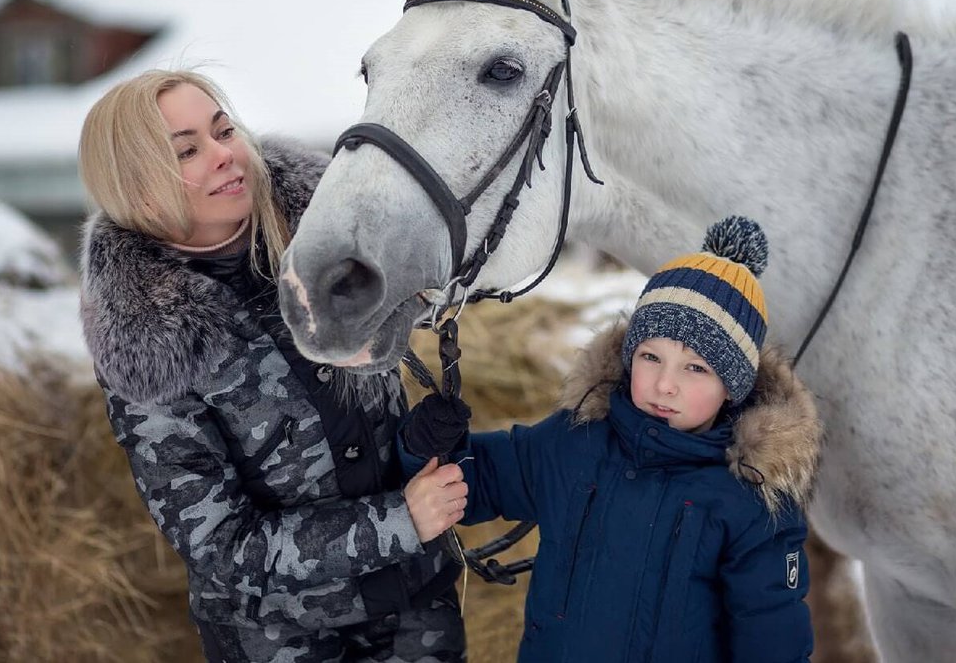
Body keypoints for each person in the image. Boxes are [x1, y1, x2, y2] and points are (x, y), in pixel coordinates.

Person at [78, 69, 467, 662]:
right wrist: (400, 520)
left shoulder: (333, 245)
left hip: (418, 611)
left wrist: (418, 443)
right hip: (281, 640)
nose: (224, 155)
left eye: (223, 129)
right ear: (140, 188)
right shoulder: (148, 339)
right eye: (187, 150)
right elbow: (221, 546)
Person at [401, 216, 820, 663]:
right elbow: (474, 482)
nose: (664, 385)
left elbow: (772, 638)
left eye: (696, 368)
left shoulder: (750, 499)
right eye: (650, 356)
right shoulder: (575, 443)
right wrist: (429, 446)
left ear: (732, 386)